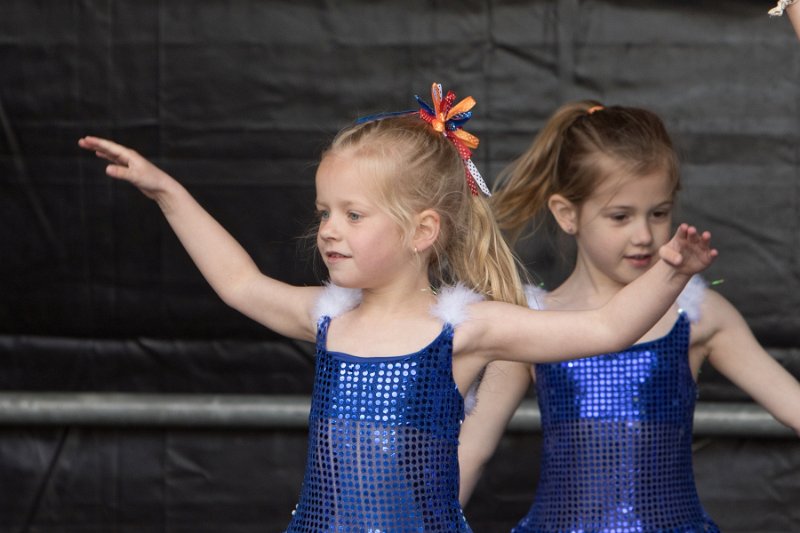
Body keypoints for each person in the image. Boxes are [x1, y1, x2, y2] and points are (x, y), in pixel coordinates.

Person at [78, 85, 716, 532]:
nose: (329, 229)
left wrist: (669, 272)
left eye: (354, 215)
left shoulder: (464, 329)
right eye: (325, 212)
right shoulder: (328, 317)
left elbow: (605, 328)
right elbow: (239, 283)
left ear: (421, 231)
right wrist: (166, 193)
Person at [458, 101, 800, 532]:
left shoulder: (696, 314)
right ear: (567, 214)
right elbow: (471, 452)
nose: (644, 235)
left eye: (658, 213)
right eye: (620, 217)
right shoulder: (532, 323)